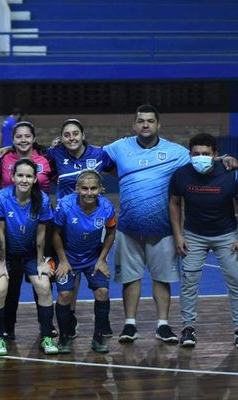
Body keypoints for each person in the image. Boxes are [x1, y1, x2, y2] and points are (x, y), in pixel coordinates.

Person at [103, 104, 190, 344]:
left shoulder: (176, 152)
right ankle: (130, 324)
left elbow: (201, 165)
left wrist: (224, 159)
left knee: (162, 278)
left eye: (150, 121)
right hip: (128, 229)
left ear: (158, 125)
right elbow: (92, 157)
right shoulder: (120, 147)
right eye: (141, 121)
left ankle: (163, 325)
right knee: (130, 278)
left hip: (163, 230)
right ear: (134, 124)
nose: (145, 125)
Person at [47, 118, 116, 338]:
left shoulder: (99, 154)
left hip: (90, 219)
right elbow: (30, 152)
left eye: (75, 133)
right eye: (66, 135)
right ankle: (69, 319)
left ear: (83, 135)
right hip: (63, 221)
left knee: (90, 275)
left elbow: (121, 167)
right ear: (61, 138)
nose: (72, 138)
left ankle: (99, 322)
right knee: (68, 278)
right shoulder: (55, 153)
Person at [169, 133, 238, 348]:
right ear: (190, 155)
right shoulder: (181, 175)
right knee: (189, 283)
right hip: (193, 236)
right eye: (196, 154)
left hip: (227, 235)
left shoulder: (231, 173)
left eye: (205, 154)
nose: (200, 157)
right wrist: (178, 235)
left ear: (215, 155)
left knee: (236, 282)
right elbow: (174, 204)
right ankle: (188, 328)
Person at [0, 159, 59, 355]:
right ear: (12, 177)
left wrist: (40, 262)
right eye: (20, 175)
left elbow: (41, 235)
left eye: (29, 176)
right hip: (7, 254)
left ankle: (46, 336)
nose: (24, 179)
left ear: (35, 179)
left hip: (30, 254)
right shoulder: (2, 197)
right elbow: (0, 234)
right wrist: (2, 263)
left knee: (44, 286)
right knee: (0, 288)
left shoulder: (43, 200)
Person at [0, 121, 55, 340]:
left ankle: (46, 330)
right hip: (10, 221)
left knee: (42, 280)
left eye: (27, 136)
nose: (23, 140)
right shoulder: (3, 158)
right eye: (18, 136)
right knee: (9, 285)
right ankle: (7, 329)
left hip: (39, 222)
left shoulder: (47, 158)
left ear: (33, 138)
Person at [52, 170, 117, 354]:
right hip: (69, 256)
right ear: (77, 189)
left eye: (93, 188)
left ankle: (98, 337)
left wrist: (102, 259)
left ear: (100, 189)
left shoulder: (107, 207)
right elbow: (54, 233)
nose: (89, 192)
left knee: (102, 292)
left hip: (92, 257)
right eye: (85, 188)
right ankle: (64, 338)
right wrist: (63, 261)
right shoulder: (64, 206)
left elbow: (111, 232)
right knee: (65, 295)